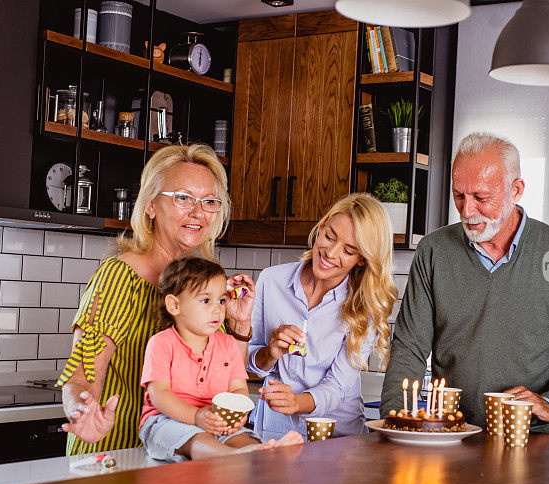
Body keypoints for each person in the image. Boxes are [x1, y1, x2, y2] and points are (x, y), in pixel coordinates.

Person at [380, 133, 549, 433]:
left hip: (533, 444)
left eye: (481, 198)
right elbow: (408, 348)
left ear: (516, 190)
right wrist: (393, 424)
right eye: (459, 196)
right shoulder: (432, 251)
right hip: (452, 437)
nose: (467, 212)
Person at [58, 144, 255, 455]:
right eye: (182, 198)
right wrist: (84, 412)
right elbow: (82, 375)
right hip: (116, 455)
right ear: (150, 205)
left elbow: (225, 374)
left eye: (209, 202)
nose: (198, 212)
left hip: (179, 462)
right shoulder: (118, 278)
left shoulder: (203, 286)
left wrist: (240, 324)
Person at [247, 193, 397, 440]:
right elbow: (251, 360)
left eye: (348, 250)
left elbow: (337, 388)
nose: (330, 253)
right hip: (275, 430)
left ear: (361, 260)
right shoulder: (271, 280)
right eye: (329, 236)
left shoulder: (365, 308)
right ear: (323, 225)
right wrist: (270, 353)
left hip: (336, 438)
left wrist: (296, 401)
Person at [139, 256, 302, 461]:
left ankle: (258, 452)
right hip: (165, 421)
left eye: (221, 300)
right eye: (206, 300)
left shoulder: (228, 344)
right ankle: (232, 456)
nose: (217, 308)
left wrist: (237, 414)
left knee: (241, 436)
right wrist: (195, 417)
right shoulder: (161, 343)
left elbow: (238, 389)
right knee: (197, 440)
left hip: (215, 418)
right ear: (174, 305)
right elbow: (158, 394)